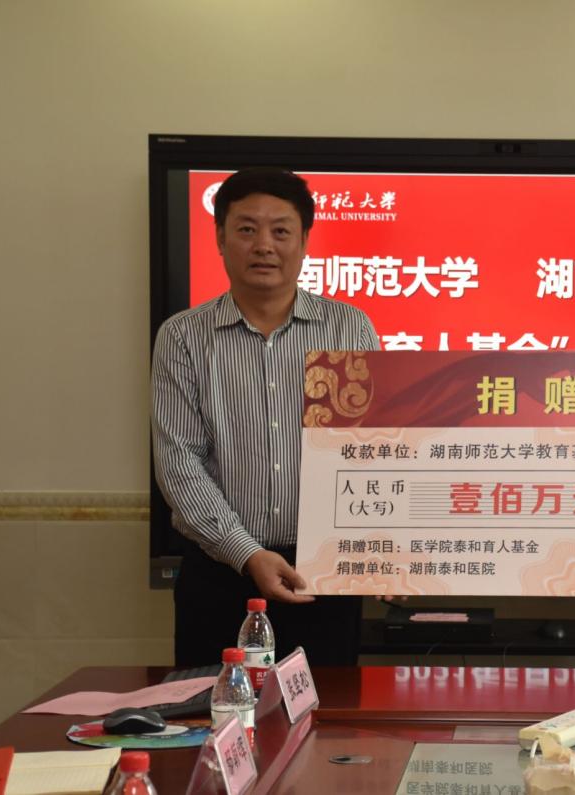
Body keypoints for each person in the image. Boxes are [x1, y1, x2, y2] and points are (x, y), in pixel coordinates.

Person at [152, 167, 380, 667]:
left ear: (304, 241)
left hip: (323, 575)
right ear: (220, 238)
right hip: (220, 573)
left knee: (326, 711)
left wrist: (393, 548)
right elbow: (179, 461)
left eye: (280, 230)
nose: (264, 246)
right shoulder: (183, 337)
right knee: (215, 710)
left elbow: (369, 448)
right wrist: (247, 553)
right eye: (246, 229)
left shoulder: (348, 327)